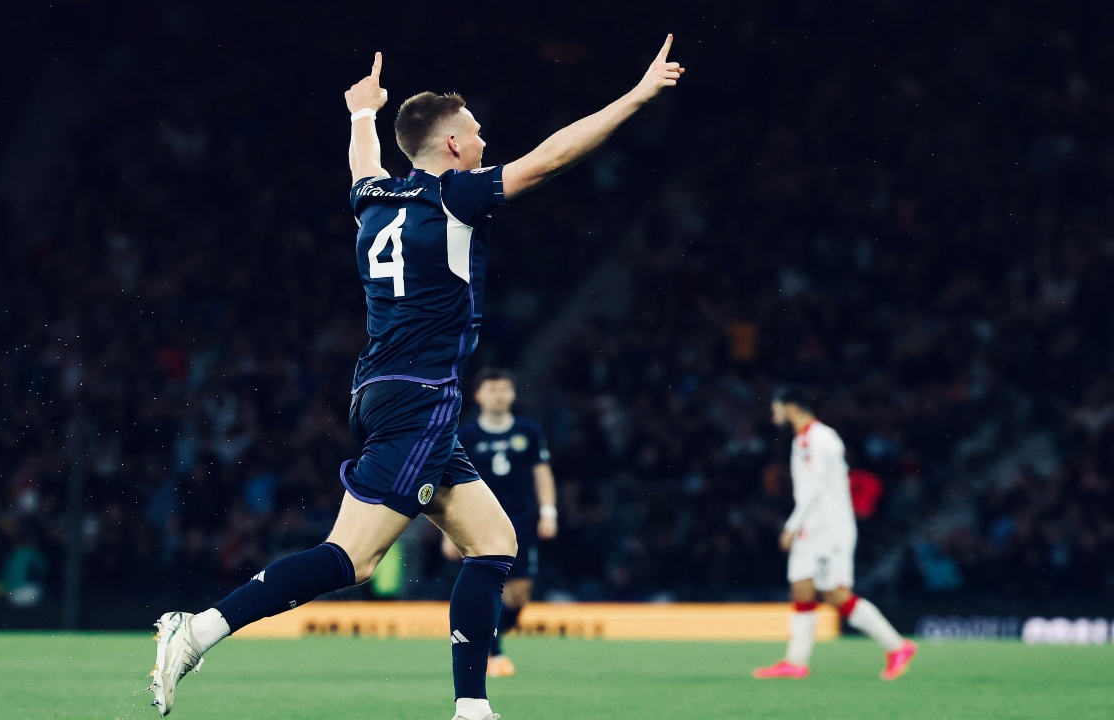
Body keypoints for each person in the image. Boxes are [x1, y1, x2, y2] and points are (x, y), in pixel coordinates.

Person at [149, 37, 684, 719]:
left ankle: (472, 707)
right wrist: (637, 96)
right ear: (454, 146)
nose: (486, 138)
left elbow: (363, 165)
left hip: (381, 389)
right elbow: (551, 159)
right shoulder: (456, 199)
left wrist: (362, 114)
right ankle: (196, 631)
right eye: (477, 131)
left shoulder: (373, 199)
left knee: (493, 543)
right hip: (422, 396)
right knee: (352, 559)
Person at [753, 386, 917, 681]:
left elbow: (815, 489)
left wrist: (791, 526)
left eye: (776, 406)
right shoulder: (801, 440)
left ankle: (897, 646)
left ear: (791, 407)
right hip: (811, 528)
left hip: (830, 529)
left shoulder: (821, 439)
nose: (773, 413)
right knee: (801, 588)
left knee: (836, 594)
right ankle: (796, 662)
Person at [446, 368, 557, 678]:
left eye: (505, 389)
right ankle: (491, 651)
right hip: (478, 520)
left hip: (521, 519)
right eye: (492, 389)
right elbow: (451, 484)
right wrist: (447, 531)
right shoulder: (466, 435)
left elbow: (542, 472)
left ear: (512, 394)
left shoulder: (528, 431)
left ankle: (487, 637)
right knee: (487, 586)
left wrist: (549, 512)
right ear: (479, 395)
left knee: (520, 594)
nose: (499, 395)